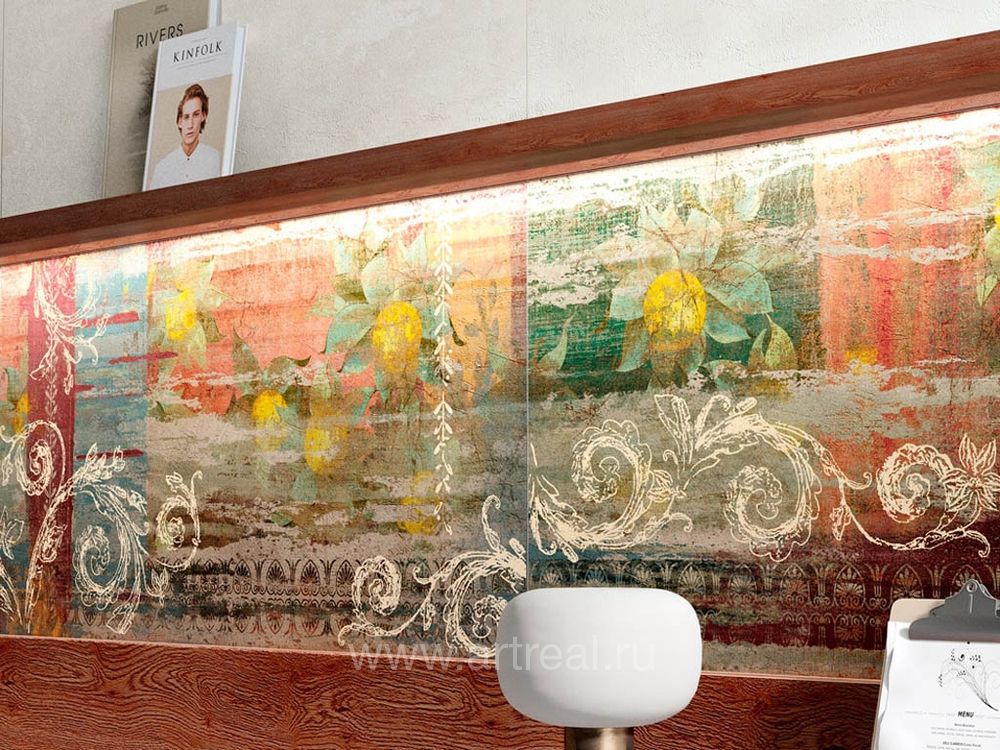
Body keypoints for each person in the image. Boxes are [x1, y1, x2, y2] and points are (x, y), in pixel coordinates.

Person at [147, 83, 221, 190]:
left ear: (203, 116)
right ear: (179, 122)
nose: (190, 125)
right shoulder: (162, 167)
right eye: (186, 117)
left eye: (196, 115)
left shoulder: (213, 158)